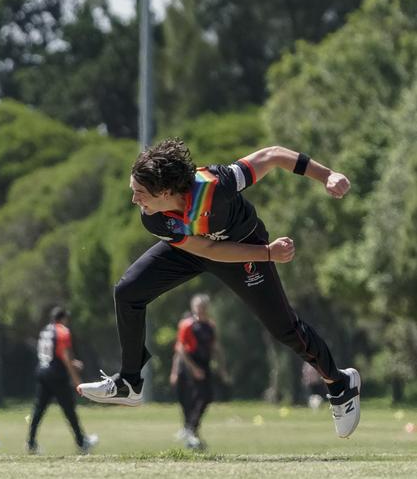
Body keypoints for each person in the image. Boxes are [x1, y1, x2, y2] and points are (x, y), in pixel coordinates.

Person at [78, 138, 361, 439]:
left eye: (140, 193)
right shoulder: (154, 217)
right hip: (198, 248)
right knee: (128, 292)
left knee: (285, 329)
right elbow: (208, 249)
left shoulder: (217, 184)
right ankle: (130, 382)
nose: (135, 200)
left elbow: (273, 155)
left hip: (245, 248)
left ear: (164, 192)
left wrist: (326, 175)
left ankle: (340, 384)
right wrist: (268, 253)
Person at [27, 306, 98, 455]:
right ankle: (81, 442)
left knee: (38, 410)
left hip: (42, 372)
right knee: (69, 410)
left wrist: (72, 362)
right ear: (63, 318)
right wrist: (78, 381)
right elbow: (65, 356)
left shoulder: (45, 330)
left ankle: (31, 443)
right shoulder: (63, 331)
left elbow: (52, 354)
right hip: (57, 375)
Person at [170, 294, 225, 450]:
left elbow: (215, 347)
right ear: (193, 308)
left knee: (207, 397)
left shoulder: (210, 326)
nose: (201, 310)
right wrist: (191, 369)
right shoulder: (187, 325)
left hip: (204, 364)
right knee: (192, 398)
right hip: (189, 364)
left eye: (203, 307)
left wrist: (221, 368)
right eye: (198, 307)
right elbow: (180, 349)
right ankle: (191, 430)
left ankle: (191, 429)